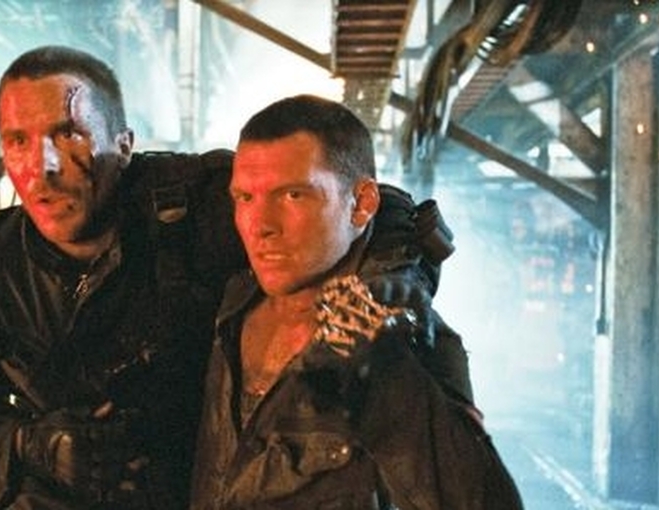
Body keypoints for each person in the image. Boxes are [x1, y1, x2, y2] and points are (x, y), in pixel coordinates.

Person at [0, 45, 246, 509]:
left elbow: (346, 216)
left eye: (68, 134)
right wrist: (30, 445)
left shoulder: (211, 212)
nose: (42, 167)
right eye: (18, 141)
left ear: (124, 146)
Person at [189, 94, 524, 509]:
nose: (261, 226)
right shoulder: (232, 306)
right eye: (245, 198)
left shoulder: (407, 340)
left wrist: (387, 378)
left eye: (293, 195)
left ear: (362, 203)